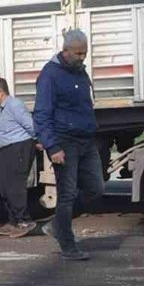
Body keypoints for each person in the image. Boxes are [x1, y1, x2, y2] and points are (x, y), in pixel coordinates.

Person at [33, 29, 102, 261]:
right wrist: (52, 147)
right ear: (66, 51)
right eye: (78, 53)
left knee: (96, 189)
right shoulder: (50, 75)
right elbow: (41, 114)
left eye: (85, 53)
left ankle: (57, 224)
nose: (83, 57)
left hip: (86, 140)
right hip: (64, 141)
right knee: (67, 194)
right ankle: (68, 245)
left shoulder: (80, 72)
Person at [0, 77, 38, 237]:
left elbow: (32, 126)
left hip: (18, 148)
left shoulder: (15, 105)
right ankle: (13, 221)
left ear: (0, 92)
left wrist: (37, 141)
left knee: (15, 186)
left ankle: (24, 221)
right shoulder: (4, 108)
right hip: (8, 149)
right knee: (4, 186)